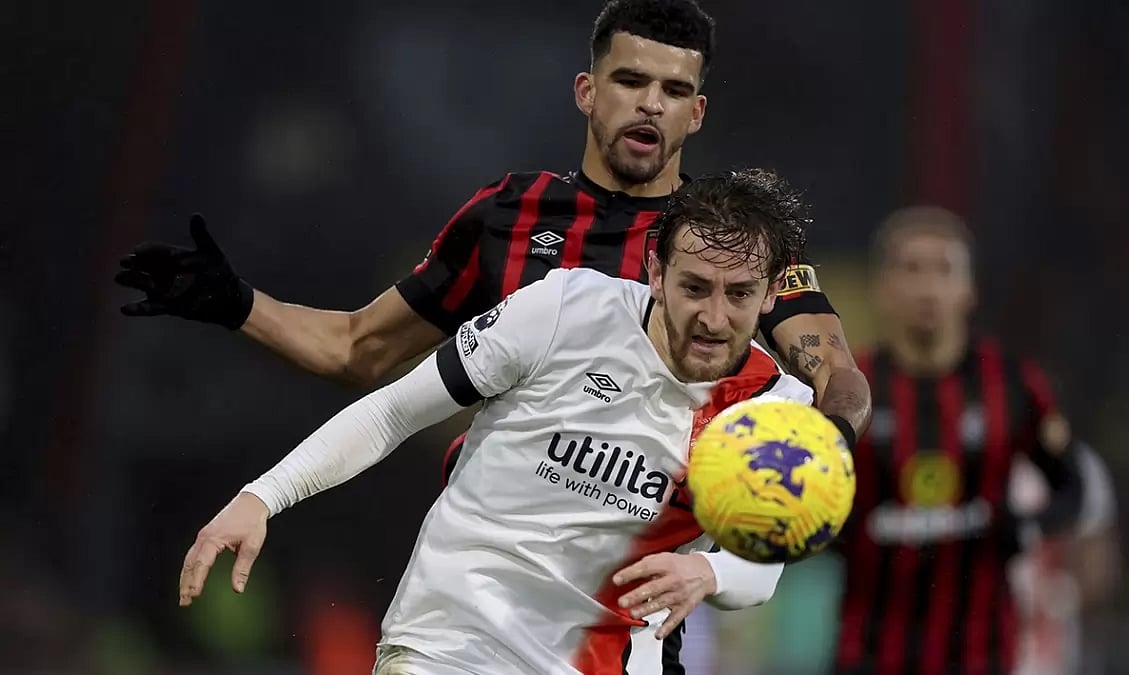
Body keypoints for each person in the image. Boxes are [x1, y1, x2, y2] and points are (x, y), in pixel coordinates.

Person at [113, 0, 871, 450]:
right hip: (487, 580)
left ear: (696, 113)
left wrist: (828, 449)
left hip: (638, 600)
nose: (650, 103)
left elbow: (835, 372)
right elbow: (359, 348)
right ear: (587, 91)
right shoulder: (508, 215)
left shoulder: (733, 243)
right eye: (630, 80)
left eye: (674, 91)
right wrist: (236, 303)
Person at [177, 169, 817, 675]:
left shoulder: (776, 410)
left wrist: (709, 572)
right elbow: (394, 411)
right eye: (694, 287)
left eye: (739, 295)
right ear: (655, 271)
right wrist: (264, 495)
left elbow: (760, 569)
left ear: (769, 295)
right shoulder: (565, 308)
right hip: (450, 643)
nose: (713, 317)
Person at [833, 206, 1082, 675]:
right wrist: (832, 531)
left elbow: (1072, 487)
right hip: (868, 650)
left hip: (980, 653)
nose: (928, 287)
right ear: (882, 289)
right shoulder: (847, 388)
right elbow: (811, 491)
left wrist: (1027, 528)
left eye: (944, 270)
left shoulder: (1013, 385)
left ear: (969, 290)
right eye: (911, 269)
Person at [1008, 440, 1120, 675]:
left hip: (1047, 661)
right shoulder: (968, 456)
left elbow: (1098, 565)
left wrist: (1064, 593)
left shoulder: (1076, 463)